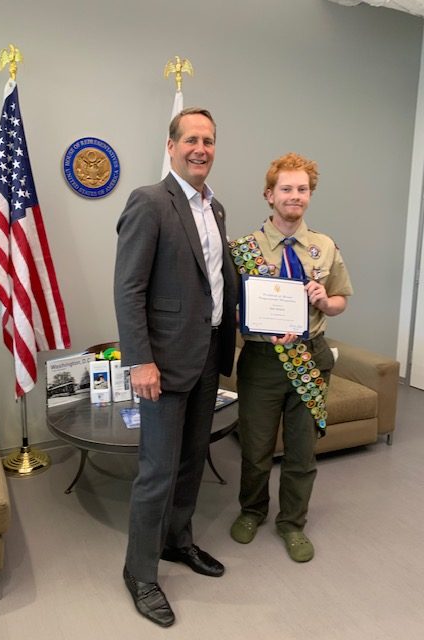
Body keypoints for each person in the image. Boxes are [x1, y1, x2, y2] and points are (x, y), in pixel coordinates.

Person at [114, 107, 238, 627]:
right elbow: (129, 288)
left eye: (208, 140)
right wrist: (140, 360)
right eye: (191, 138)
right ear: (171, 146)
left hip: (208, 356)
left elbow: (214, 281)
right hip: (162, 364)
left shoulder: (217, 208)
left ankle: (176, 542)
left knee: (191, 462)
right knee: (157, 471)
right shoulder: (149, 201)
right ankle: (139, 573)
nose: (200, 148)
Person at [229, 152, 353, 562]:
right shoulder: (242, 250)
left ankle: (292, 523)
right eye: (287, 189)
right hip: (262, 359)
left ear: (309, 195)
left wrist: (325, 299)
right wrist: (243, 315)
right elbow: (228, 308)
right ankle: (252, 510)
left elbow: (339, 303)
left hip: (310, 358)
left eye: (302, 189)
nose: (294, 196)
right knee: (256, 447)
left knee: (301, 452)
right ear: (270, 195)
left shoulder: (324, 247)